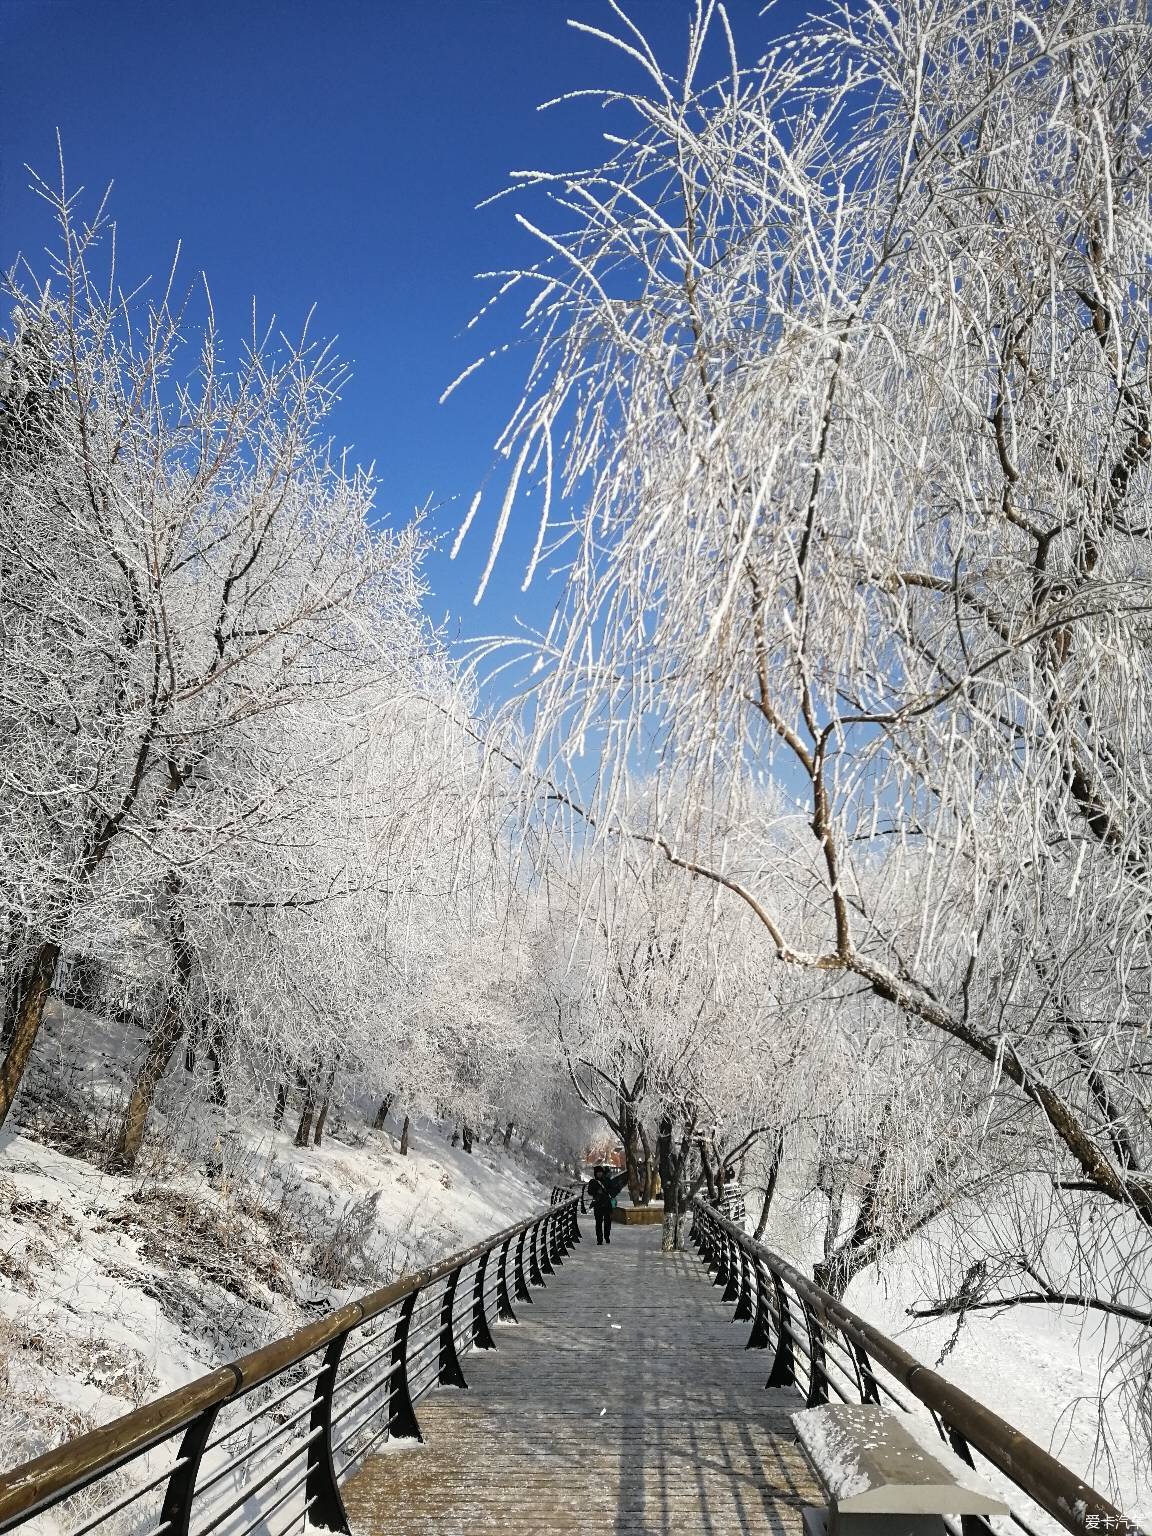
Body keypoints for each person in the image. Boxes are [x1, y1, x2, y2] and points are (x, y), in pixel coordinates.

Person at [584, 1164, 626, 1245]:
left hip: (607, 1204)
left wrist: (609, 1194)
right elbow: (590, 1191)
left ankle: (607, 1237)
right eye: (597, 1172)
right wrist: (596, 1192)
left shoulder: (608, 1180)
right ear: (595, 1174)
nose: (599, 1174)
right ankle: (599, 1239)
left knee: (607, 1222)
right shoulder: (593, 1182)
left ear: (603, 1173)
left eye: (600, 1172)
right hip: (598, 1204)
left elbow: (615, 1189)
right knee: (598, 1223)